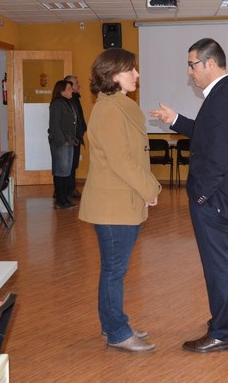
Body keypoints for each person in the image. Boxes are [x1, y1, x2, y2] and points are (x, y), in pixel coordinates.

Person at [149, 38, 228, 354]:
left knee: (218, 265)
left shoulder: (222, 99)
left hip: (216, 200)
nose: (189, 71)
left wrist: (201, 197)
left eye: (192, 64)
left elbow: (218, 157)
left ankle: (221, 333)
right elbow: (209, 134)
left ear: (209, 63)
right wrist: (176, 120)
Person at [78, 48, 161, 353]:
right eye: (131, 70)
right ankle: (116, 332)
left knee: (114, 270)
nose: (136, 75)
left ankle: (112, 323)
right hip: (112, 205)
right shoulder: (109, 111)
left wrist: (144, 191)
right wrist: (150, 188)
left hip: (122, 201)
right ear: (114, 75)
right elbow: (122, 161)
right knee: (114, 271)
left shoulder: (118, 106)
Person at [48, 79, 78, 209]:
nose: (72, 90)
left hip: (69, 141)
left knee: (67, 171)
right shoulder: (57, 104)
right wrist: (63, 141)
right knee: (61, 171)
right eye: (69, 88)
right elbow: (54, 125)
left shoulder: (69, 103)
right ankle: (61, 199)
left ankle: (65, 198)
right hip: (61, 143)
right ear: (61, 91)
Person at [64, 75, 87, 198]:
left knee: (73, 165)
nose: (79, 85)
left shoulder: (75, 98)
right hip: (72, 138)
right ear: (70, 86)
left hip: (76, 137)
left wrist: (83, 128)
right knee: (69, 165)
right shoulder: (68, 100)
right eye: (76, 83)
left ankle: (70, 189)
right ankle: (66, 191)